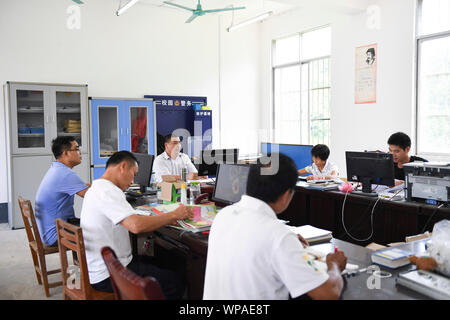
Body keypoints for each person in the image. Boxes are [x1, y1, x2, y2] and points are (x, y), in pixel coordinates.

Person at [203, 153, 347, 300]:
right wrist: (334, 265)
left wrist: (289, 246)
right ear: (286, 195)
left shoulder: (224, 215)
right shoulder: (278, 235)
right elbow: (329, 293)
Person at [80, 151, 193, 299]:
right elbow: (136, 226)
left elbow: (130, 219)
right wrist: (174, 215)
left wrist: (164, 218)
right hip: (109, 274)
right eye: (133, 174)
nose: (133, 181)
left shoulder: (97, 187)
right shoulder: (108, 191)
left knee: (164, 261)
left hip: (104, 266)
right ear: (123, 167)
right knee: (174, 282)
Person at [35, 136, 89, 247]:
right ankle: (93, 263)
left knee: (93, 225)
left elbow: (84, 187)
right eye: (77, 149)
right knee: (103, 229)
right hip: (55, 234)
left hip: (51, 230)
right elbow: (90, 195)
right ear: (65, 153)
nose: (80, 153)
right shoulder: (65, 174)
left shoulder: (57, 169)